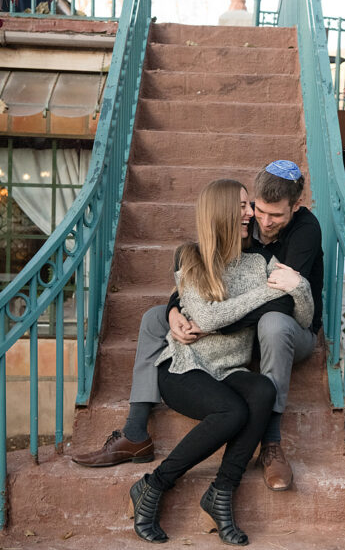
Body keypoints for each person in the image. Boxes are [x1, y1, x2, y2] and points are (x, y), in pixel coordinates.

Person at [74, 160, 324, 493]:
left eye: (275, 216)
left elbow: (283, 302)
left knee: (273, 324)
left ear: (295, 206)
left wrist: (211, 325)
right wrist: (175, 309)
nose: (263, 222)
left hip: (288, 326)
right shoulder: (237, 234)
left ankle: (272, 442)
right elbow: (207, 273)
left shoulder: (304, 231)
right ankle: (135, 432)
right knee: (153, 318)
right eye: (255, 209)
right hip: (241, 324)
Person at [129, 179, 314, 546]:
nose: (251, 214)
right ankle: (153, 485)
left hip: (229, 370)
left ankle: (221, 492)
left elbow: (302, 319)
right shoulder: (191, 257)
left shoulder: (260, 261)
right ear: (220, 213)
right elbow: (209, 318)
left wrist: (298, 286)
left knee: (262, 389)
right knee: (233, 413)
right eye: (244, 206)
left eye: (250, 206)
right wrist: (268, 292)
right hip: (184, 367)